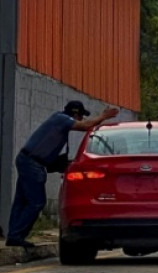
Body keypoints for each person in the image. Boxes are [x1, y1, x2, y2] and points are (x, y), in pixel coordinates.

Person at [4, 101, 119, 248]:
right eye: (81, 116)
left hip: (28, 160)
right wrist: (103, 116)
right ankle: (17, 235)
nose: (82, 119)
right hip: (33, 163)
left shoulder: (59, 121)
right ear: (75, 114)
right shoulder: (62, 119)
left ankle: (14, 235)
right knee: (36, 202)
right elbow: (85, 126)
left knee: (22, 200)